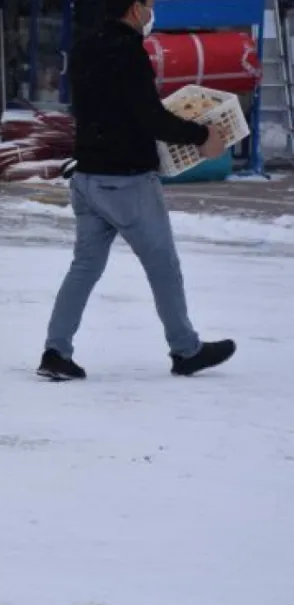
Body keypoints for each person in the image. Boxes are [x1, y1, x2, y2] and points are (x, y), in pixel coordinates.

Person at [37, 0, 235, 381]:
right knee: (163, 266)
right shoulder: (128, 52)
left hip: (87, 177)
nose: (151, 10)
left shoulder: (84, 48)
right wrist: (201, 137)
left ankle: (55, 350)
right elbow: (149, 115)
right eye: (147, 4)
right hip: (127, 181)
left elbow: (108, 109)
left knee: (84, 268)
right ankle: (186, 349)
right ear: (133, 9)